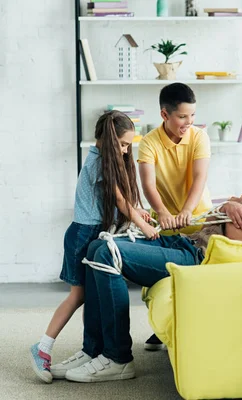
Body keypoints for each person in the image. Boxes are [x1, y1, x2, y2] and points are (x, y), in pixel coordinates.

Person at [56, 132, 242, 382]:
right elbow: (224, 215)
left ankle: (118, 358)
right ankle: (92, 349)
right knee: (94, 248)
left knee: (107, 253)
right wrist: (229, 206)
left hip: (200, 260)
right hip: (188, 242)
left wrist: (232, 206)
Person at [29, 111, 157, 383]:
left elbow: (119, 202)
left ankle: (93, 350)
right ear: (109, 140)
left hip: (92, 233)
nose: (125, 151)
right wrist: (144, 227)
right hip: (82, 235)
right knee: (78, 296)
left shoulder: (102, 159)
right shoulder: (98, 164)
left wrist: (138, 213)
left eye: (128, 146)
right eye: (123, 145)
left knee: (92, 295)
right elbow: (121, 202)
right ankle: (42, 348)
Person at [138, 82, 211, 235]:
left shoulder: (199, 137)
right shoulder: (148, 142)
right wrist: (162, 212)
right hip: (165, 222)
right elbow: (148, 184)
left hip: (198, 219)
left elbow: (200, 177)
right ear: (165, 115)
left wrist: (187, 210)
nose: (189, 121)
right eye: (182, 116)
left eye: (192, 114)